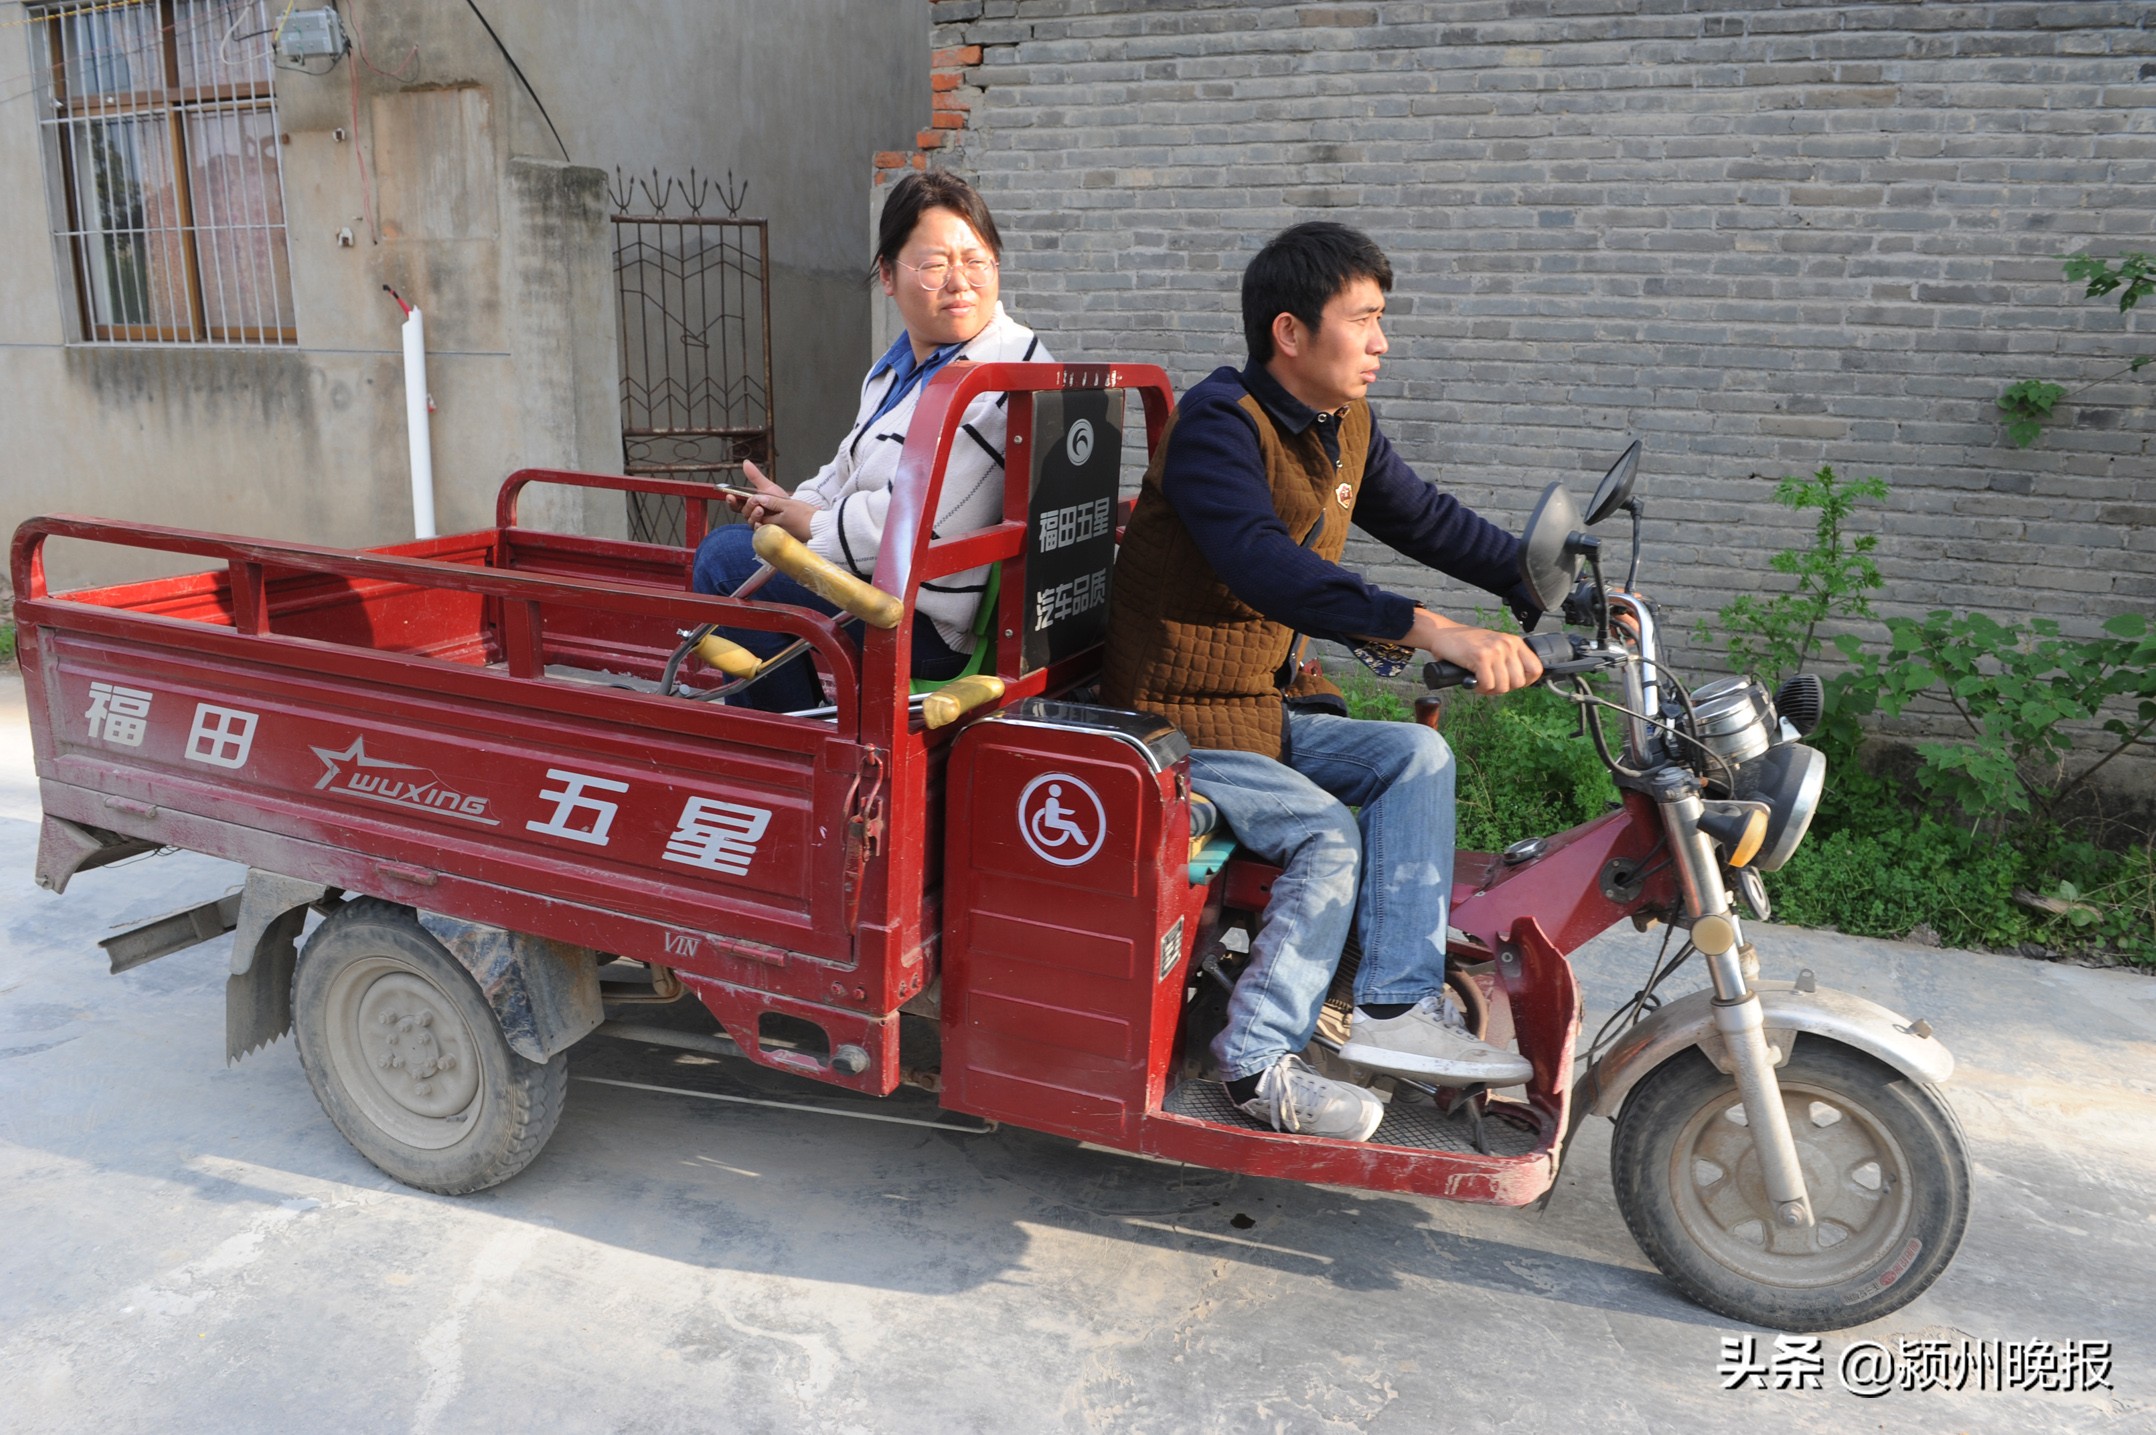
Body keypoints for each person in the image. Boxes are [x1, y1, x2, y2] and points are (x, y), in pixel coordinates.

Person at [1102, 221, 1544, 1141]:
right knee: (1326, 832)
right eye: (1364, 319)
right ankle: (1256, 1062)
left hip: (1260, 707)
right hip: (1173, 723)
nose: (1382, 341)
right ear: (1291, 333)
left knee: (1415, 754)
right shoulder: (1218, 425)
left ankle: (1394, 1005)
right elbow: (1262, 563)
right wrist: (1430, 627)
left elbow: (1424, 516)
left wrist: (1537, 576)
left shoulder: (1343, 425)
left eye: (1382, 319)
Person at [691, 171, 1050, 711]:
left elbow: (925, 521)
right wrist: (792, 507)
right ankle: (801, 726)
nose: (960, 282)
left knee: (724, 561)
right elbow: (847, 466)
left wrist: (809, 527)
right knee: (744, 549)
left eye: (976, 261)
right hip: (882, 582)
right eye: (935, 265)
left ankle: (794, 741)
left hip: (925, 620)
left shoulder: (1000, 373)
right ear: (887, 274)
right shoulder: (900, 365)